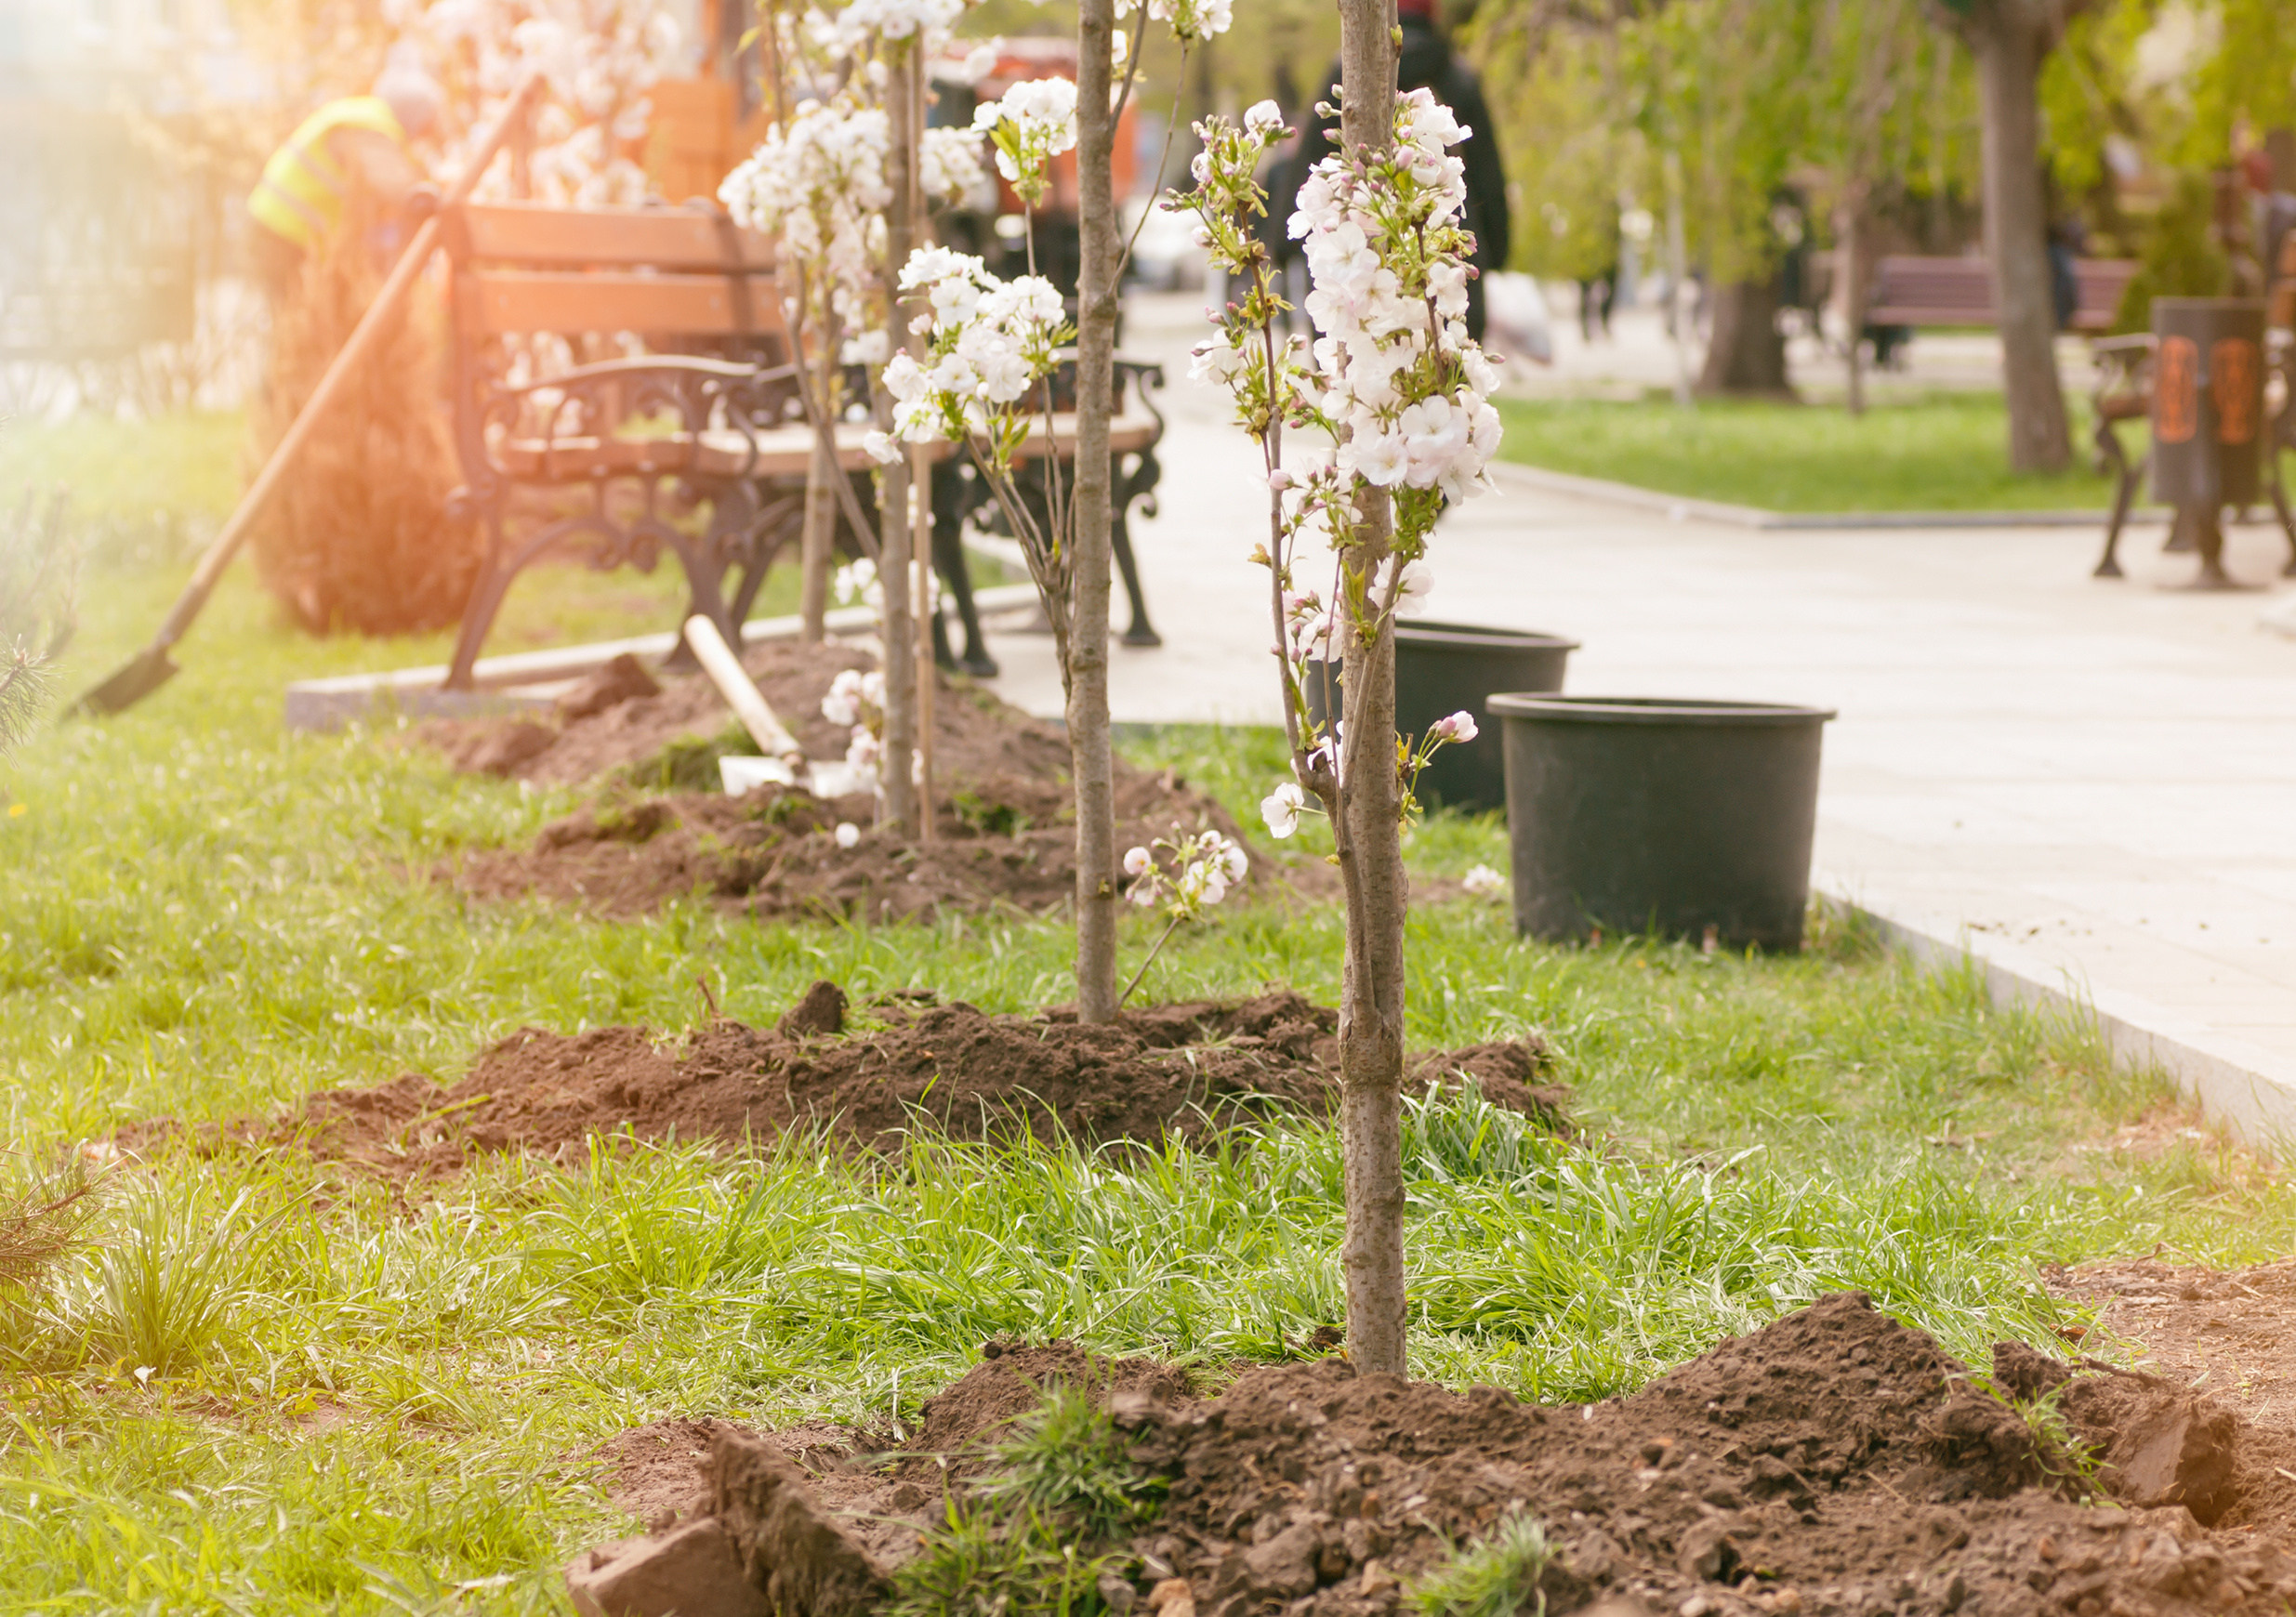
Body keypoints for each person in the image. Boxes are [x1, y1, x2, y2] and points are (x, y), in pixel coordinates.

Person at [1294, 0, 1511, 341]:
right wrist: (1496, 250)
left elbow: (1308, 166)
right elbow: (1487, 173)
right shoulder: (1457, 76)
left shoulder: (1344, 75)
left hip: (1358, 265)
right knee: (1443, 378)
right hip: (1443, 252)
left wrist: (1283, 243)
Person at [246, 47, 444, 304]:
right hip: (287, 232)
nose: (423, 135)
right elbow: (399, 188)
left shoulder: (358, 114)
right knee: (301, 312)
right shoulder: (370, 128)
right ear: (413, 115)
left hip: (277, 226)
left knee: (299, 314)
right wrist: (429, 196)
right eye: (425, 125)